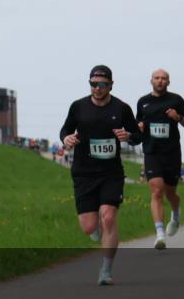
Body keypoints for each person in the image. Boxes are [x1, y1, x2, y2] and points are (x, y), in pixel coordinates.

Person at [60, 65, 142, 285]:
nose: (97, 88)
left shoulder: (122, 108)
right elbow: (64, 130)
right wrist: (66, 139)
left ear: (111, 85)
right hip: (84, 173)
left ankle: (106, 271)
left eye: (102, 84)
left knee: (108, 216)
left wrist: (129, 136)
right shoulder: (78, 107)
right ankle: (94, 227)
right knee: (88, 226)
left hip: (111, 173)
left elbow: (137, 135)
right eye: (93, 84)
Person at [136, 69, 184, 249]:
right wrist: (138, 127)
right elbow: (137, 128)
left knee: (170, 193)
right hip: (152, 152)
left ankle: (176, 213)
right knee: (157, 191)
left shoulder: (176, 100)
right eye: (157, 78)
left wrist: (178, 117)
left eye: (163, 78)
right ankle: (160, 234)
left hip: (171, 153)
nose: (160, 81)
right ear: (151, 81)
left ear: (168, 82)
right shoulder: (143, 102)